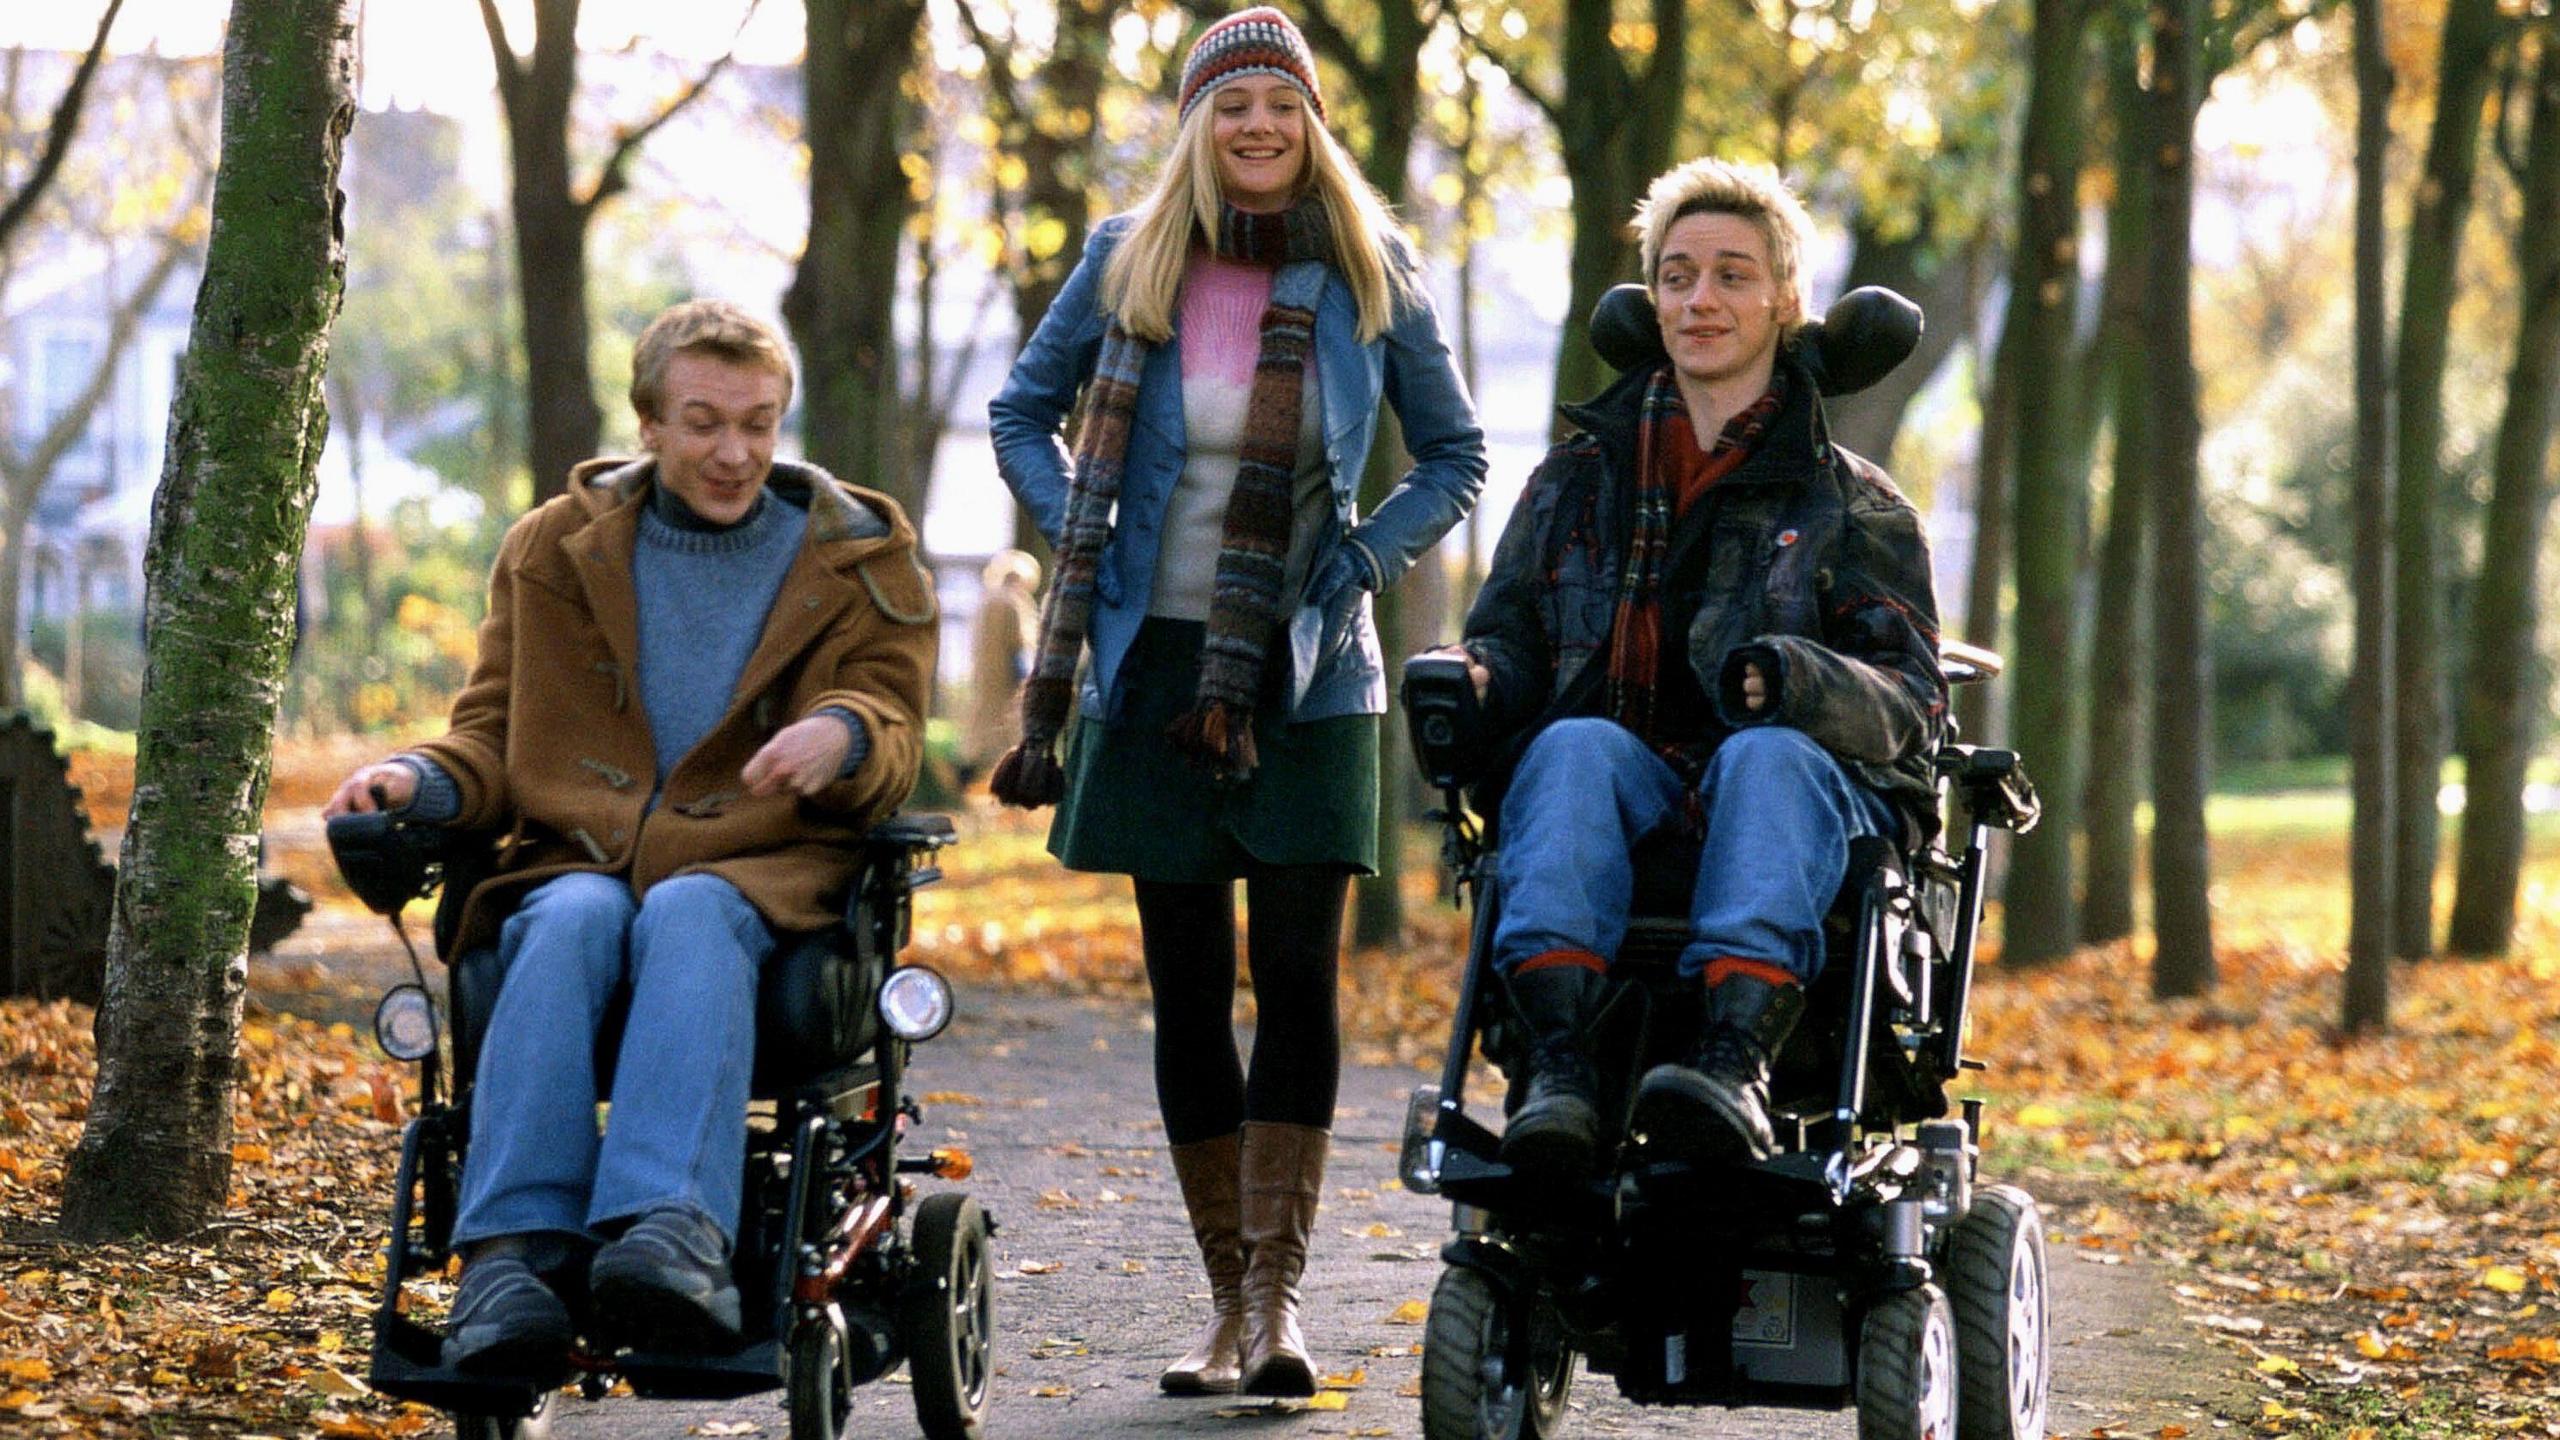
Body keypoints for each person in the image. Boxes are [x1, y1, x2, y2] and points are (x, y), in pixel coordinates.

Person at [985, 6, 1484, 1399]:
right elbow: (1020, 412)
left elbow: (1455, 456)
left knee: (1300, 983)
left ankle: (1281, 1305)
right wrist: (1087, 529)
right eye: (1232, 103)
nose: (1259, 126)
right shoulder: (1126, 261)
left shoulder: (1372, 273)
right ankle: (1220, 1302)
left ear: (1312, 123)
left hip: (1308, 678)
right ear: (1198, 125)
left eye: (1282, 103)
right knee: (1191, 991)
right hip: (1150, 672)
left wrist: (1358, 561)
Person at [322, 300, 936, 1374]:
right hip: (580, 855)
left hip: (761, 863)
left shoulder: (857, 555)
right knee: (568, 914)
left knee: (693, 909)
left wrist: (837, 736)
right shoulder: (553, 549)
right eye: (703, 423)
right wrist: (411, 782)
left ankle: (670, 1236)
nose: (734, 452)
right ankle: (513, 1258)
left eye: (757, 422)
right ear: (648, 422)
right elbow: (490, 737)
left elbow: (889, 713)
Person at [1445, 158, 1947, 1182]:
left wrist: (1802, 682)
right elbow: (1511, 640)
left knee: (1766, 757)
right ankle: (1560, 1067)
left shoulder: (1850, 502)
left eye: (1731, 275)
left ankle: (1732, 1064)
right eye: (1676, 277)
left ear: (1783, 302)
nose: (1700, 300)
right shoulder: (1573, 483)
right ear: (1651, 298)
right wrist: (1473, 681)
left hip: (1793, 803)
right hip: (1624, 790)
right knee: (1575, 745)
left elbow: (1913, 702)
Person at [960, 548, 1041, 784]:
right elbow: (1019, 647)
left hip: (985, 678)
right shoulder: (1014, 602)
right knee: (1006, 736)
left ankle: (968, 785)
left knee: (980, 733)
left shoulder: (986, 600)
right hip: (1007, 680)